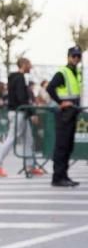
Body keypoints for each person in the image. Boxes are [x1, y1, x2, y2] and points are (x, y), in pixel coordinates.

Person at [0, 57, 42, 178]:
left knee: (29, 139)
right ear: (23, 64)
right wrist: (32, 113)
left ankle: (30, 166)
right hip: (20, 113)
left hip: (19, 112)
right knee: (11, 138)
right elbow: (21, 98)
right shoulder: (20, 78)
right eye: (29, 64)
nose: (31, 66)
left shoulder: (15, 78)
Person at [46, 46, 82, 187]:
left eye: (78, 56)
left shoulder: (76, 72)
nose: (76, 59)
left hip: (72, 112)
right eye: (74, 56)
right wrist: (61, 102)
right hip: (64, 114)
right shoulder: (63, 72)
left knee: (67, 146)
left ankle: (64, 176)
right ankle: (57, 177)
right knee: (62, 146)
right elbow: (50, 88)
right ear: (68, 57)